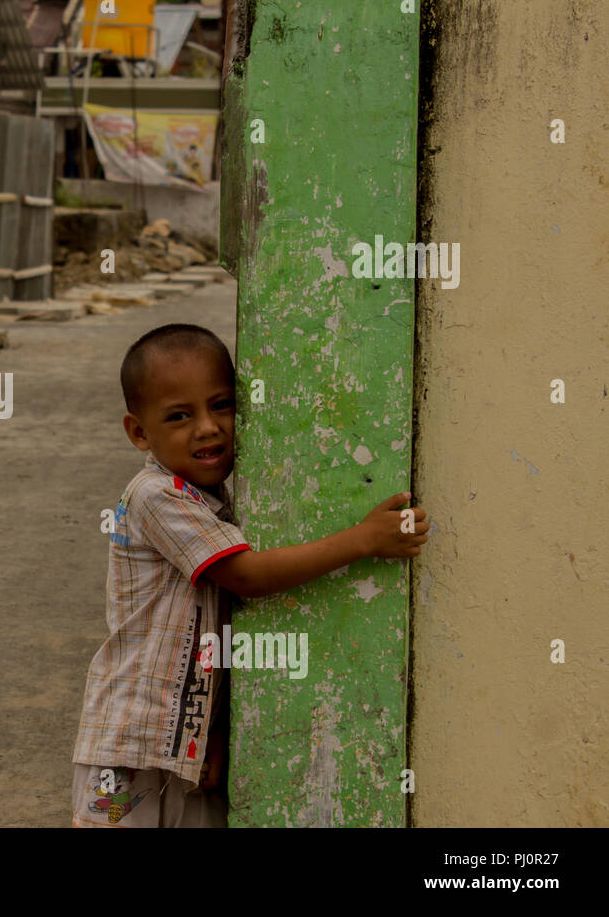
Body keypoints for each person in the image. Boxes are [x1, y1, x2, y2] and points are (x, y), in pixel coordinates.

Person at [71, 323, 428, 827]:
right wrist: (364, 540)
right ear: (139, 432)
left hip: (182, 746)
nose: (208, 427)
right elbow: (247, 577)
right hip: (131, 743)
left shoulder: (215, 501)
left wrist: (213, 732)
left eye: (222, 405)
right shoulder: (156, 495)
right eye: (179, 416)